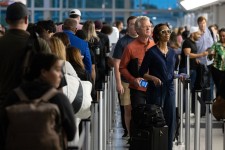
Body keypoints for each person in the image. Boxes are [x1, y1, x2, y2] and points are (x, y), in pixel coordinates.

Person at [0, 3, 51, 148]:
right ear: (26, 19)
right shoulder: (39, 44)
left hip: (3, 108)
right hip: (33, 109)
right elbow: (52, 79)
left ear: (7, 20)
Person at [3, 53, 76, 149]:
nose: (61, 75)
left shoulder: (14, 96)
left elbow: (3, 131)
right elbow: (71, 133)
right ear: (44, 72)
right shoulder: (58, 98)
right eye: (57, 70)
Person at [139, 23, 176, 150]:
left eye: (168, 31)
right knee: (155, 119)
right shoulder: (151, 52)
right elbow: (142, 73)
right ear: (157, 36)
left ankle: (168, 147)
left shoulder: (173, 53)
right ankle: (155, 146)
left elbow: (172, 71)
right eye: (163, 32)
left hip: (170, 89)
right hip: (155, 90)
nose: (167, 34)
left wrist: (179, 76)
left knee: (170, 119)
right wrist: (152, 78)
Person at [119, 16, 155, 109]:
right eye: (145, 26)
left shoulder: (154, 45)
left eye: (149, 26)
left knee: (154, 116)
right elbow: (122, 67)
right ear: (137, 30)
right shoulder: (130, 47)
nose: (148, 28)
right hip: (138, 88)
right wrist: (132, 80)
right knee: (139, 117)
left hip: (153, 87)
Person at [112, 16, 137, 138]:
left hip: (142, 81)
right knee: (127, 108)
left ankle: (138, 133)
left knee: (139, 107)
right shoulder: (122, 42)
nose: (134, 26)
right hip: (126, 81)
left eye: (136, 24)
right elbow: (116, 64)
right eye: (132, 24)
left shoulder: (146, 40)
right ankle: (130, 133)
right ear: (128, 26)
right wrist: (118, 83)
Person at [195, 16, 214, 115]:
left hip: (210, 62)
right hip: (201, 63)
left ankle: (209, 107)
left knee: (209, 86)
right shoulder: (196, 34)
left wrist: (211, 52)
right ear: (198, 24)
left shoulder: (210, 32)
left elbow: (213, 45)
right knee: (202, 86)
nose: (202, 24)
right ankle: (201, 109)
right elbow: (194, 47)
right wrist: (196, 58)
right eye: (201, 23)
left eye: (204, 23)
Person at [208, 28, 225, 96]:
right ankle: (219, 103)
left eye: (224, 36)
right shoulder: (216, 45)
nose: (222, 37)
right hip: (217, 70)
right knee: (220, 88)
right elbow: (209, 58)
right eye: (221, 36)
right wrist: (211, 55)